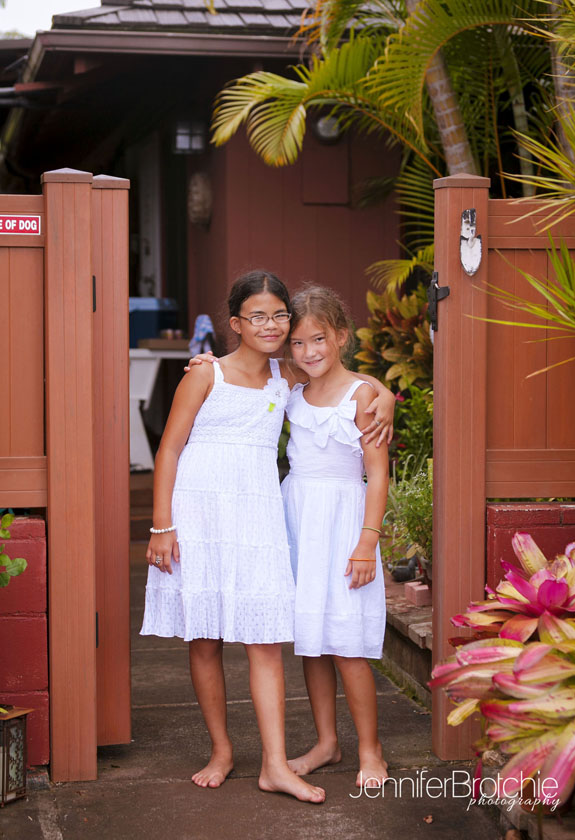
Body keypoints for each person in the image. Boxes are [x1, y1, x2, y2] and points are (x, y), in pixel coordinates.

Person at [141, 270, 393, 803]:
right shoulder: (206, 374)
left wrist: (384, 393)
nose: (272, 325)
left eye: (280, 315)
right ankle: (222, 750)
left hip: (257, 517)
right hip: (199, 515)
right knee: (204, 637)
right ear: (236, 323)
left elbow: (341, 377)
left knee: (267, 641)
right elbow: (169, 449)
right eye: (258, 316)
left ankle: (275, 764)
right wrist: (162, 525)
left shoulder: (286, 375)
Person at [282, 285, 389, 789]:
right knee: (313, 642)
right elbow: (245, 371)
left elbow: (377, 473)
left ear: (341, 336)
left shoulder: (361, 396)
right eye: (298, 343)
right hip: (300, 522)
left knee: (346, 644)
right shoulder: (293, 389)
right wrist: (207, 362)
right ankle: (327, 742)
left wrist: (367, 542)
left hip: (345, 525)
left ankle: (371, 749)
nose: (309, 352)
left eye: (319, 339)